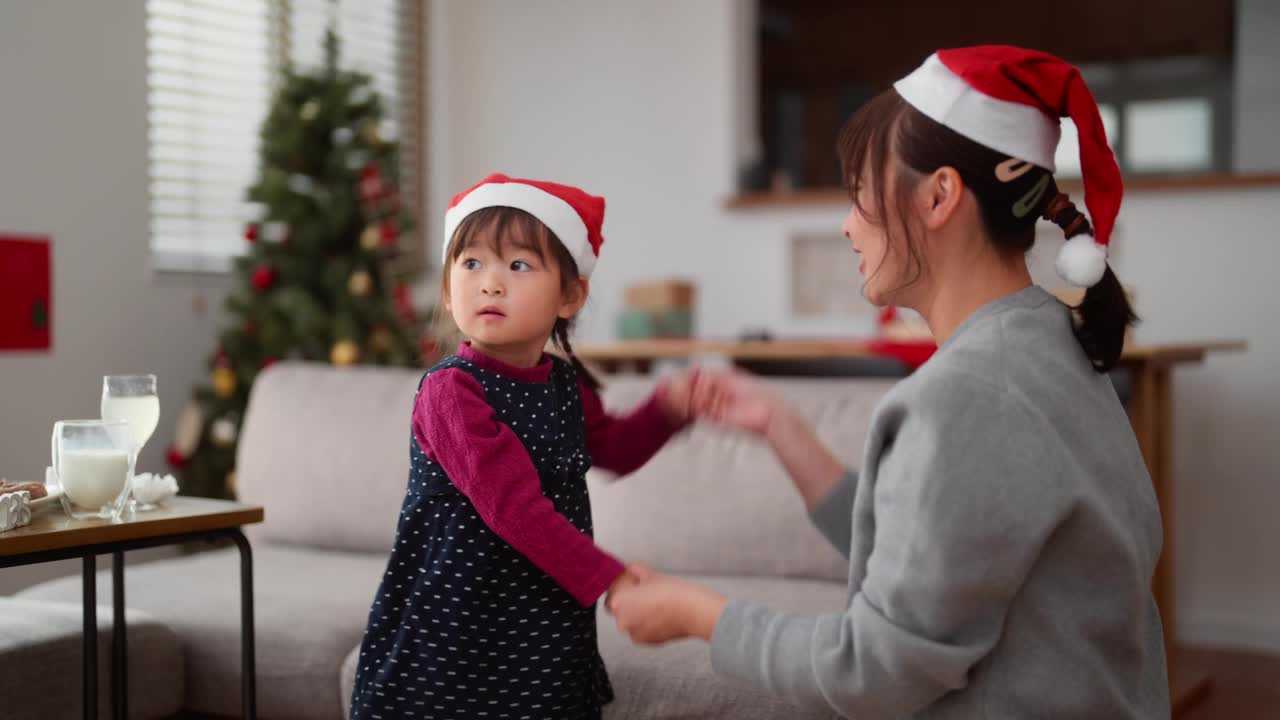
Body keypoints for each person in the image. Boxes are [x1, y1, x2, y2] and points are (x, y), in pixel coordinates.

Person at [608, 46, 1170, 718]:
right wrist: (781, 428)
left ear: (939, 196)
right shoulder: (1051, 344)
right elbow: (932, 560)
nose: (848, 225)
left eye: (859, 193)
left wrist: (699, 615)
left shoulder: (971, 393)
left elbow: (874, 671)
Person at [350, 173, 693, 720]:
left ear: (570, 294)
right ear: (447, 290)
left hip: (542, 622)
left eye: (517, 265)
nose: (491, 283)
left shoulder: (563, 384)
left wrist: (672, 408)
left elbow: (617, 447)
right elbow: (512, 507)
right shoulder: (450, 392)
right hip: (456, 624)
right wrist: (611, 576)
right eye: (472, 264)